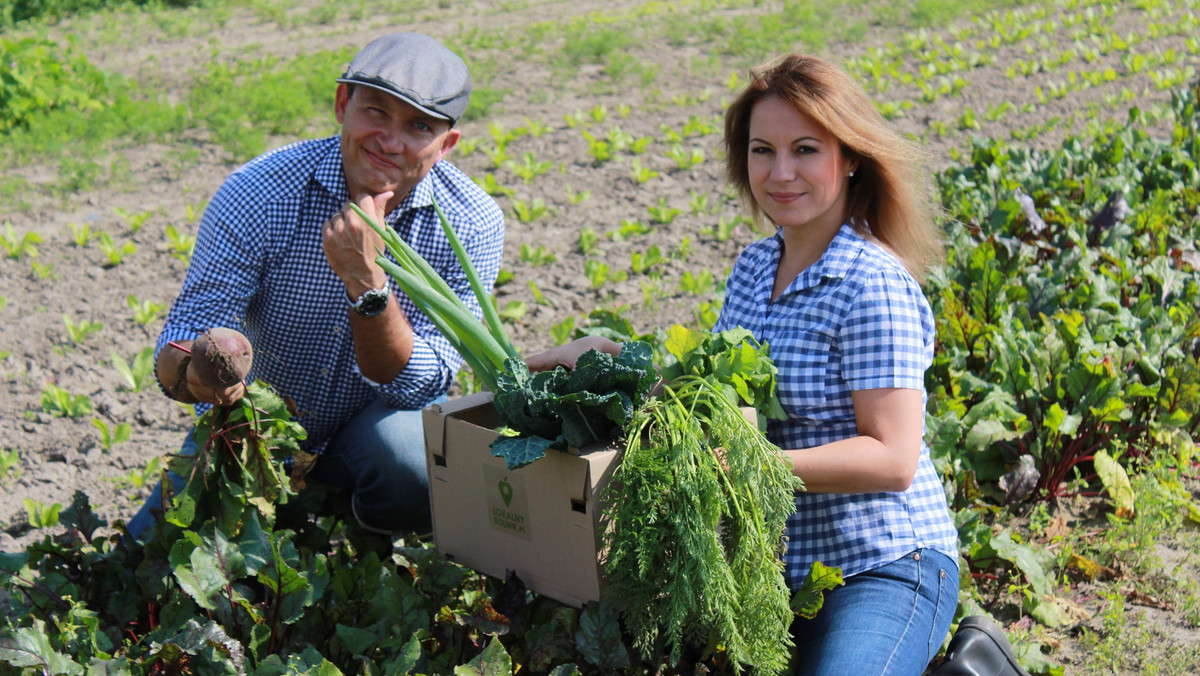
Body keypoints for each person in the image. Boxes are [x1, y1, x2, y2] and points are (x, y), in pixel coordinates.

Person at [529, 53, 959, 675]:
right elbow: (715, 397)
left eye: (806, 149)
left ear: (851, 157)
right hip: (772, 571)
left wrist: (749, 467)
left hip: (882, 563)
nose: (781, 173)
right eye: (763, 151)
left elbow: (891, 460)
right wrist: (611, 361)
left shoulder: (872, 286)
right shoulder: (755, 270)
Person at [129, 32, 505, 540]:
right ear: (342, 104)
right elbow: (185, 334)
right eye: (375, 112)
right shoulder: (260, 191)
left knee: (411, 463)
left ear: (446, 144)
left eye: (418, 126)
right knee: (145, 557)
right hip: (254, 430)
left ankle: (363, 541)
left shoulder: (471, 222)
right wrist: (197, 371)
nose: (390, 141)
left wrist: (367, 286)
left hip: (369, 436)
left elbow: (422, 384)